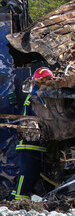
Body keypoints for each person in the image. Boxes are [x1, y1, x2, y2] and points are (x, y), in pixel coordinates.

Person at [9, 67, 53, 200]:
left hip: (35, 145)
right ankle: (16, 201)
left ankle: (17, 199)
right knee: (26, 174)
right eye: (46, 81)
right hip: (28, 144)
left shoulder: (37, 95)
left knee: (31, 174)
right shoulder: (36, 97)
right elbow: (41, 116)